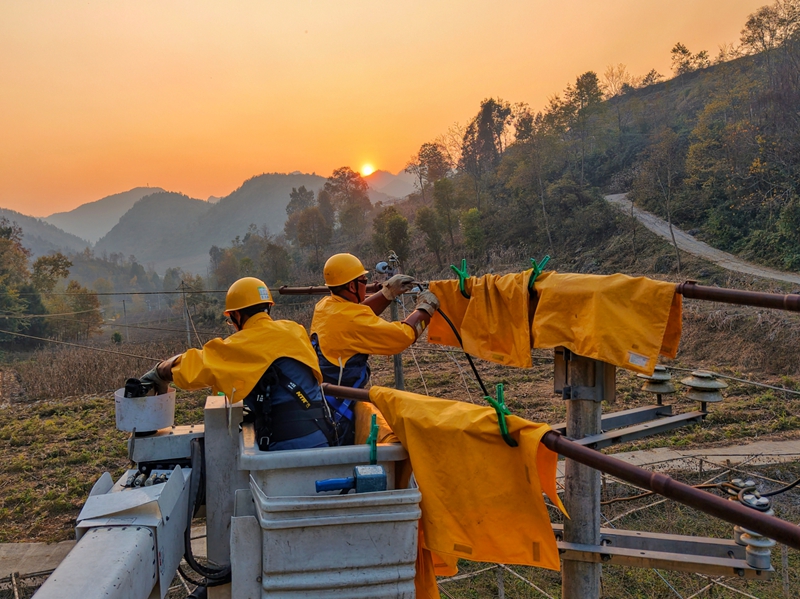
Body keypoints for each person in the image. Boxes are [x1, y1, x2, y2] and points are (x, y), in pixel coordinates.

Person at [139, 277, 335, 451]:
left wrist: (160, 371)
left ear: (237, 316)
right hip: (323, 436)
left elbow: (196, 365)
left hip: (284, 448)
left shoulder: (242, 344)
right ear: (268, 307)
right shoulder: (296, 331)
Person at [310, 253, 440, 445]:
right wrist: (425, 309)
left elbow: (358, 313)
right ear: (352, 286)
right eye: (364, 281)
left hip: (325, 400)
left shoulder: (325, 306)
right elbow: (401, 337)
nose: (366, 284)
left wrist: (387, 293)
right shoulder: (351, 320)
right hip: (341, 409)